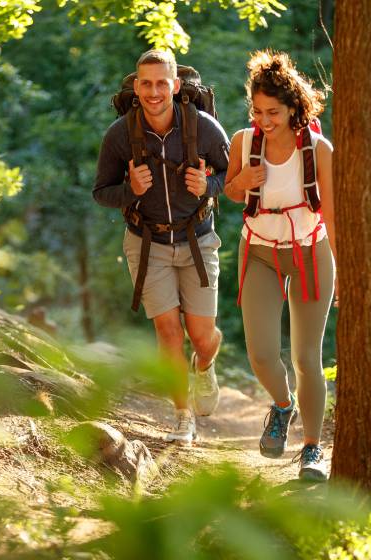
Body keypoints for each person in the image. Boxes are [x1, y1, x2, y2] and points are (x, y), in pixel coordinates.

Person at [93, 49, 230, 445]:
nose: (154, 92)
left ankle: (203, 365)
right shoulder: (120, 134)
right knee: (169, 332)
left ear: (175, 85)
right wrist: (130, 191)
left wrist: (210, 185)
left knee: (202, 336)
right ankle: (182, 417)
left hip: (197, 240)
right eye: (146, 83)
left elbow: (230, 175)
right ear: (137, 87)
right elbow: (101, 192)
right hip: (147, 243)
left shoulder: (203, 128)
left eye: (161, 83)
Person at [223, 50, 336, 481]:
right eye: (257, 111)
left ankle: (311, 449)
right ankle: (282, 406)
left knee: (308, 358)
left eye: (273, 112)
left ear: (295, 108)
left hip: (310, 253)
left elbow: (332, 214)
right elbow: (229, 193)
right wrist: (240, 183)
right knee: (262, 354)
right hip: (259, 253)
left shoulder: (317, 149)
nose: (264, 120)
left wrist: (341, 269)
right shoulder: (244, 142)